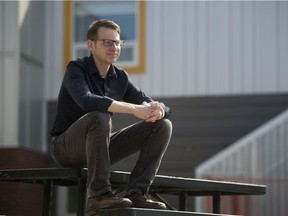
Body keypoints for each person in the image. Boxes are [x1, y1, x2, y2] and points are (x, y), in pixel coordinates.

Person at [50, 19, 172, 216]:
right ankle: (98, 196)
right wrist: (133, 109)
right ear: (91, 45)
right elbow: (87, 101)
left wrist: (158, 110)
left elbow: (151, 103)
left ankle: (136, 192)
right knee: (99, 115)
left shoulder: (120, 77)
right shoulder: (76, 69)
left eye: (117, 42)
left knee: (163, 125)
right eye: (107, 42)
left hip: (98, 147)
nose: (114, 47)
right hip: (66, 149)